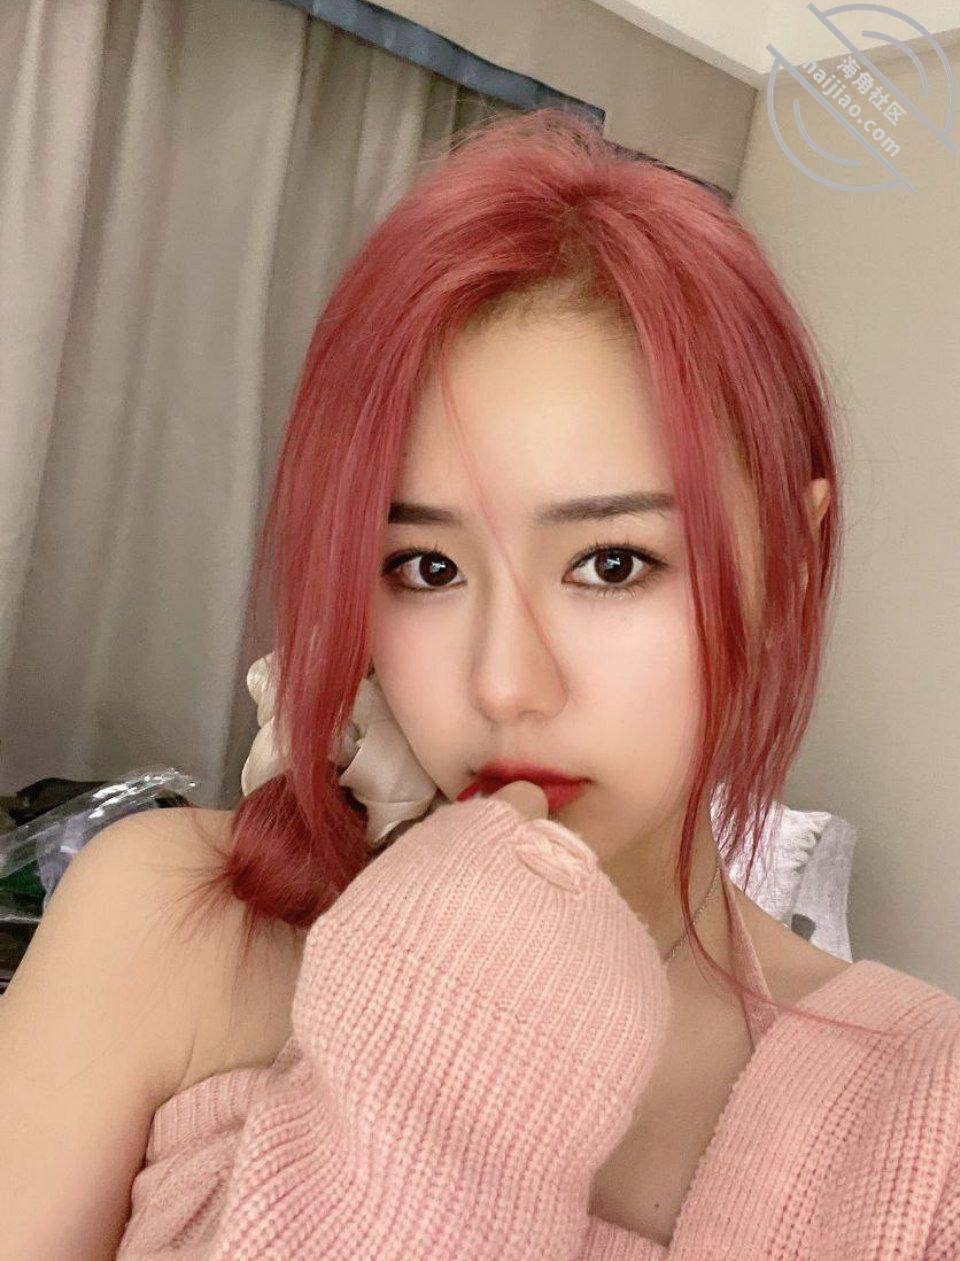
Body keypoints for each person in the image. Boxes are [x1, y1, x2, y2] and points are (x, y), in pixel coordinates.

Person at [1, 106, 958, 1260]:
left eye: (613, 564)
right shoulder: (171, 922)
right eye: (427, 567)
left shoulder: (926, 1124)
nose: (505, 683)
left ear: (788, 565)